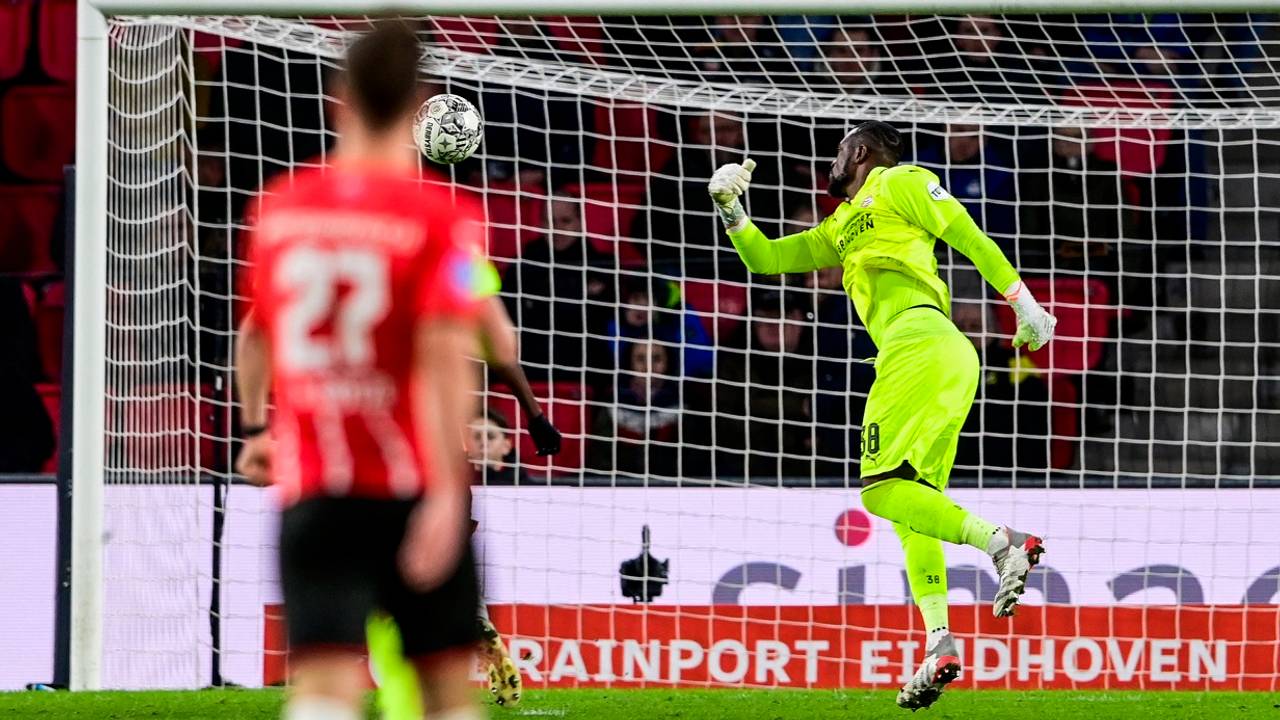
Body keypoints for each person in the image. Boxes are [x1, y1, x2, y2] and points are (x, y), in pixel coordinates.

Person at [706, 120, 1057, 710]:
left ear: (861, 152)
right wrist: (730, 207)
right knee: (914, 510)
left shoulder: (900, 181)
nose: (833, 159)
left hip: (919, 341)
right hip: (936, 354)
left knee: (877, 490)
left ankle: (1003, 542)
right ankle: (939, 641)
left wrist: (1022, 300)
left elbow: (967, 233)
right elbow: (766, 259)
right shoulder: (843, 225)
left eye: (840, 149)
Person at [234, 23, 487, 720]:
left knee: (320, 691)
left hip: (315, 485)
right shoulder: (442, 215)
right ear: (421, 104)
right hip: (407, 483)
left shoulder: (278, 211)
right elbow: (443, 363)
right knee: (445, 697)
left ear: (337, 99)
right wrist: (445, 492)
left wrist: (256, 427)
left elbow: (257, 333)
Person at [951, 302, 1051, 477]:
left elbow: (1035, 433)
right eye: (960, 327)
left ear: (992, 329)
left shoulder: (1017, 366)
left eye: (976, 326)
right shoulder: (942, 367)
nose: (968, 333)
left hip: (1006, 469)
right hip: (953, 469)